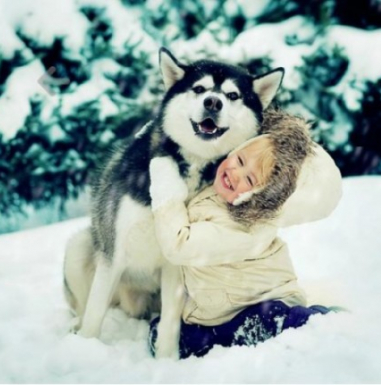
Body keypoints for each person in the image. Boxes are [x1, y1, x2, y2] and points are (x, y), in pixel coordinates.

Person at [147, 110, 343, 358]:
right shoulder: (218, 187)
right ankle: (199, 339)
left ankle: (319, 323)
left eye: (249, 179)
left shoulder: (245, 230)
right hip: (216, 309)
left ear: (263, 200)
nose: (234, 173)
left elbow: (178, 245)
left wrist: (167, 196)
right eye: (239, 160)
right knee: (199, 335)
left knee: (271, 319)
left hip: (266, 300)